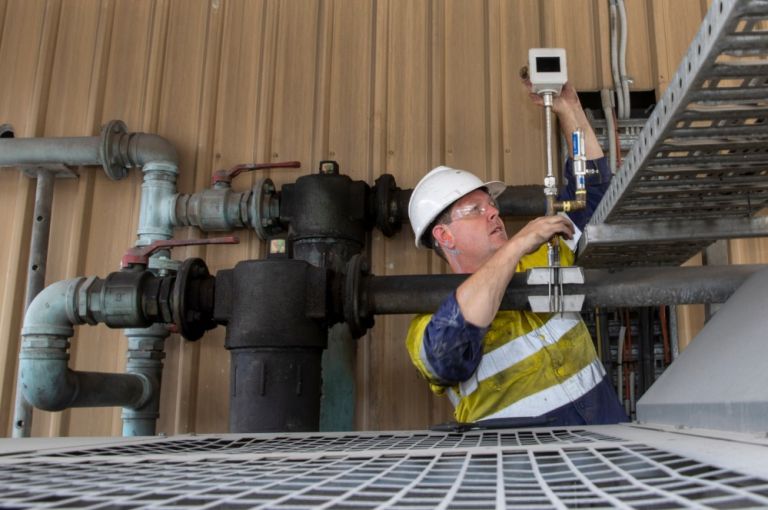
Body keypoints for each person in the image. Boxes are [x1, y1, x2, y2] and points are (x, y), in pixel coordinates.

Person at [406, 81, 627, 426]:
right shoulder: (427, 320)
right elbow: (446, 354)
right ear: (443, 235)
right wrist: (518, 244)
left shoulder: (544, 258)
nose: (494, 213)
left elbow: (594, 198)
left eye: (491, 205)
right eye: (475, 210)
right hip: (522, 473)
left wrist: (569, 109)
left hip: (606, 449)